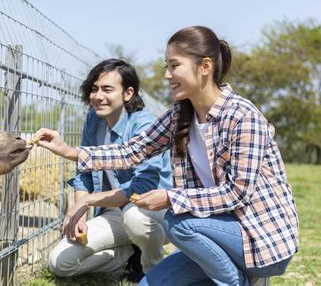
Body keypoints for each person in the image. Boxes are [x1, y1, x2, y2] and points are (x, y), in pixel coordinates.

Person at [35, 26, 299, 285]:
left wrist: (170, 197)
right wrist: (69, 151)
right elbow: (132, 151)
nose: (167, 75)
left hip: (259, 239)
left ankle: (237, 281)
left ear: (205, 66)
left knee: (179, 221)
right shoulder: (180, 115)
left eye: (174, 66)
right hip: (213, 233)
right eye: (166, 66)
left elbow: (237, 193)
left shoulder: (243, 117)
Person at [47, 59, 172, 282]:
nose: (98, 96)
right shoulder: (94, 120)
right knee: (60, 263)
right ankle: (129, 254)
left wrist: (88, 201)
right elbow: (84, 173)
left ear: (128, 93)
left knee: (135, 218)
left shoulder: (143, 125)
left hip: (150, 210)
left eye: (107, 89)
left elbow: (142, 189)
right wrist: (80, 215)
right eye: (94, 89)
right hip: (114, 212)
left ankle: (153, 271)